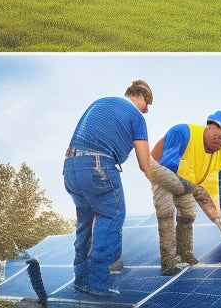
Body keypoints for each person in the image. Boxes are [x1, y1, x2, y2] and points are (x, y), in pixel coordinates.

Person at [63, 79, 155, 297]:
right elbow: (145, 164)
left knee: (85, 224)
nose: (147, 110)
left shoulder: (102, 102)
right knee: (112, 214)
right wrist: (161, 185)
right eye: (147, 104)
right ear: (141, 97)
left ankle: (81, 280)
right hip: (99, 167)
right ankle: (98, 284)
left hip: (71, 167)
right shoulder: (136, 116)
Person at [150, 111, 221, 275]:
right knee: (166, 213)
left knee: (188, 214)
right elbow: (167, 167)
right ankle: (168, 262)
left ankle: (184, 253)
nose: (220, 142)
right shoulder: (182, 133)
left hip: (185, 177)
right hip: (160, 170)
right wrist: (193, 189)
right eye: (218, 136)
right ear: (208, 126)